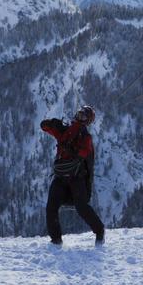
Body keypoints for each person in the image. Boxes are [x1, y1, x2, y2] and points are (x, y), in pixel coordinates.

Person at [41, 105, 105, 246]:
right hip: (62, 177)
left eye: (83, 116)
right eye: (79, 114)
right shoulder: (66, 130)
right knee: (51, 207)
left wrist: (71, 148)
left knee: (81, 207)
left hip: (76, 178)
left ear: (87, 121)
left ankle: (99, 230)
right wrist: (52, 123)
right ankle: (56, 239)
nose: (79, 117)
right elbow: (44, 127)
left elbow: (84, 151)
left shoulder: (85, 136)